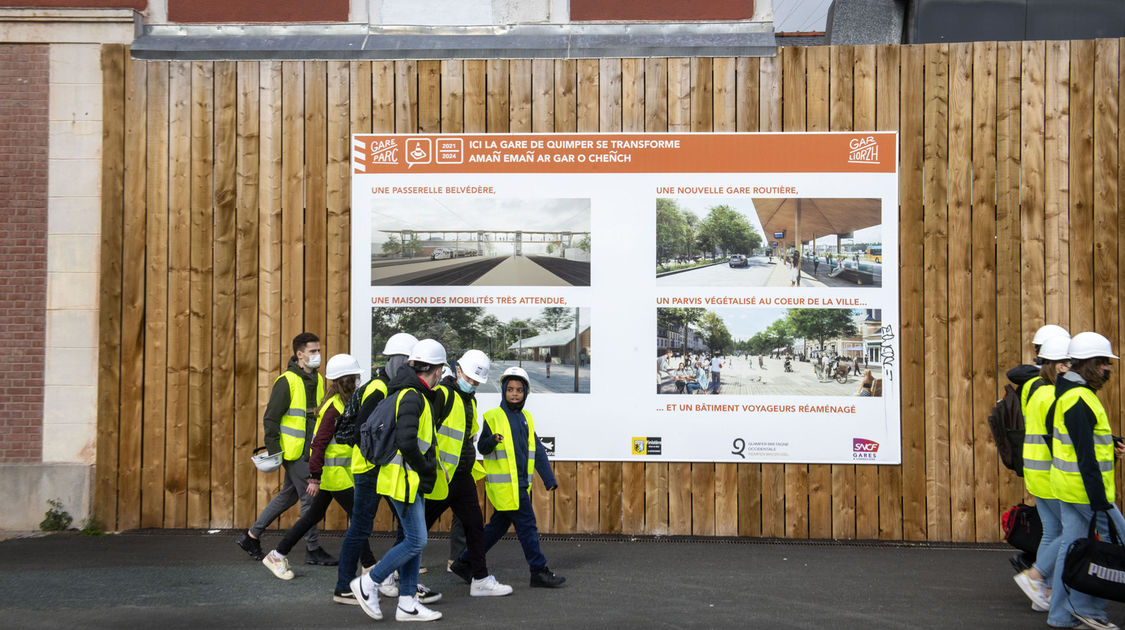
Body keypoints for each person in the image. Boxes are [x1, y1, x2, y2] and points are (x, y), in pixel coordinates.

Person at [333, 332, 436, 605]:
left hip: (378, 466)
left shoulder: (388, 386)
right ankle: (347, 586)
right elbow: (361, 431)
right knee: (364, 528)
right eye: (408, 361)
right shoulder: (380, 388)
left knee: (405, 529)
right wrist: (382, 455)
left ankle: (402, 585)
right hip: (371, 468)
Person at [350, 338, 447, 622]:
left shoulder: (411, 392)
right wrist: (426, 468)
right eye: (441, 369)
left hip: (406, 478)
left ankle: (407, 603)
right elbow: (406, 441)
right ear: (437, 370)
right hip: (404, 479)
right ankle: (369, 582)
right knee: (416, 541)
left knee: (413, 540)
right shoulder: (413, 396)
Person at [262, 354, 376, 581]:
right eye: (355, 377)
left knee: (313, 516)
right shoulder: (334, 408)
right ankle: (369, 566)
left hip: (338, 473)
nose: (357, 381)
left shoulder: (344, 404)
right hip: (334, 476)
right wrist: (314, 477)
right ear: (348, 379)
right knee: (359, 517)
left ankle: (277, 554)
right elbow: (319, 443)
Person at [236, 332, 336, 567]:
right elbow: (271, 419)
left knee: (287, 496)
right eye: (312, 352)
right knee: (311, 499)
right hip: (295, 453)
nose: (317, 355)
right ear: (299, 354)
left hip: (309, 451)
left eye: (319, 351)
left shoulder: (320, 380)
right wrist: (275, 453)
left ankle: (251, 537)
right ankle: (313, 549)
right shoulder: (286, 381)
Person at [1047, 332, 1125, 630]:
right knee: (1115, 544)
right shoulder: (1080, 399)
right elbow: (1084, 456)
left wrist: (1111, 444)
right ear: (1091, 364)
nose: (1109, 369)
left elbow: (1077, 443)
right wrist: (1100, 501)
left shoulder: (1069, 395)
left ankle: (1061, 616)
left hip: (1070, 488)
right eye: (1105, 362)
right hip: (1086, 493)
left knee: (1072, 549)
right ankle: (1088, 611)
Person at [462, 366, 565, 589]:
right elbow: (482, 446)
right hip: (506, 487)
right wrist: (493, 440)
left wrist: (549, 479)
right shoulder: (493, 417)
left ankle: (464, 561)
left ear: (525, 393)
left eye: (519, 390)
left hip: (520, 484)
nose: (515, 393)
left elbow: (536, 449)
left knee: (496, 528)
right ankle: (538, 570)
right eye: (510, 389)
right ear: (503, 392)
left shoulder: (527, 418)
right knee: (528, 526)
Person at [433, 351, 514, 597]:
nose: (473, 384)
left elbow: (467, 439)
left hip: (461, 475)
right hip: (439, 477)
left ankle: (480, 579)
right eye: (470, 378)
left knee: (475, 527)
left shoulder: (470, 400)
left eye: (478, 381)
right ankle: (390, 579)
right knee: (415, 532)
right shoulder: (442, 395)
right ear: (458, 371)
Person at [1011, 334, 1070, 613]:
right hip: (1051, 471)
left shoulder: (1033, 388)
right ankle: (1036, 576)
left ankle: (1042, 593)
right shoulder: (1051, 393)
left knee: (1051, 532)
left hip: (1035, 468)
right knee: (1069, 531)